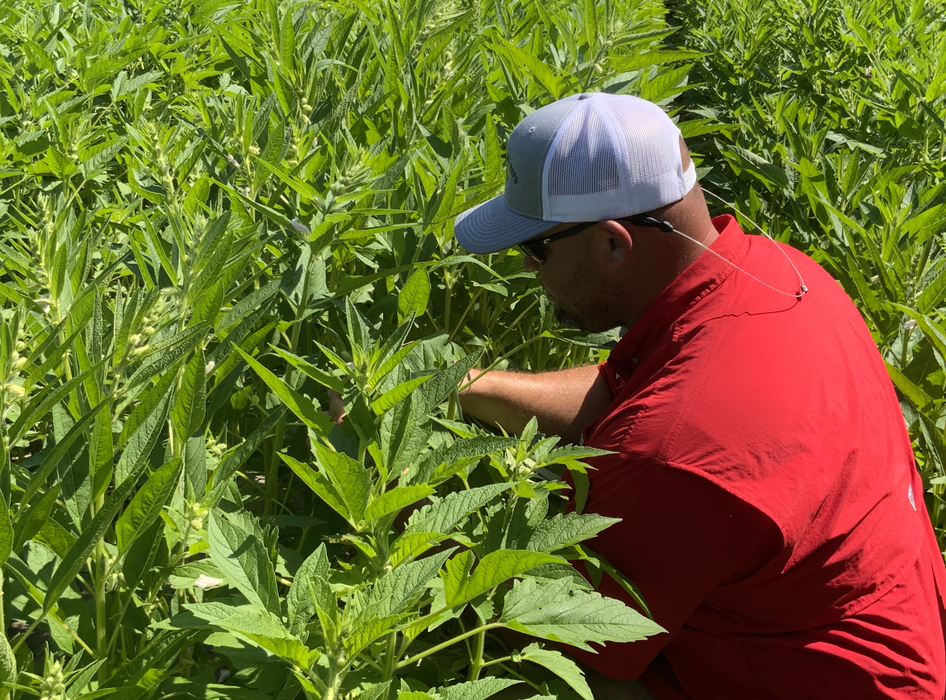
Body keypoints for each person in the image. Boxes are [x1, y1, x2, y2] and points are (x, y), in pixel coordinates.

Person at [452, 92, 946, 700]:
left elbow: (560, 626)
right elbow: (628, 386)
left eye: (536, 248)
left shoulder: (675, 452)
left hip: (815, 684)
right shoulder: (781, 276)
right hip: (886, 643)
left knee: (541, 673)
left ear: (613, 243)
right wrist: (468, 390)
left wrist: (389, 488)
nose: (529, 270)